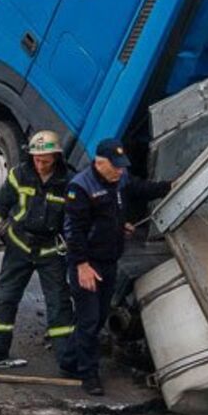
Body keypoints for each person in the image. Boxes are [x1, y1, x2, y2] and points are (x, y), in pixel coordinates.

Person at [60, 138, 170, 396]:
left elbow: (139, 189)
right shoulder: (81, 187)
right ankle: (88, 374)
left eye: (122, 166)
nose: (121, 171)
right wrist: (82, 265)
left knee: (98, 317)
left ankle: (68, 361)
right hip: (88, 264)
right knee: (88, 320)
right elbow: (73, 231)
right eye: (116, 166)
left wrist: (169, 186)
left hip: (109, 260)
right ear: (100, 163)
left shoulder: (118, 179)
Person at [0, 130, 73, 367]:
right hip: (19, 245)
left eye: (45, 160)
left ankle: (67, 358)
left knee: (59, 303)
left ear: (56, 157)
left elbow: (74, 219)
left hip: (50, 250)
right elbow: (1, 205)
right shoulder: (19, 175)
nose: (40, 165)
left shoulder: (67, 182)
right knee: (5, 298)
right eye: (36, 159)